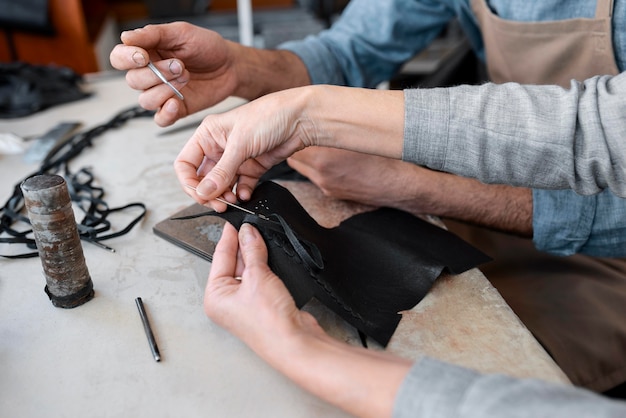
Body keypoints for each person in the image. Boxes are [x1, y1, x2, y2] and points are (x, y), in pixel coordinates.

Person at [110, 0, 626, 395]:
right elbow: (349, 50)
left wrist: (413, 184)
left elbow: (596, 134)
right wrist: (239, 70)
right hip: (492, 211)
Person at [176, 76, 626, 416]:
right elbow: (594, 126)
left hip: (601, 270)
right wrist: (301, 109)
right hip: (478, 220)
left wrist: (303, 350)